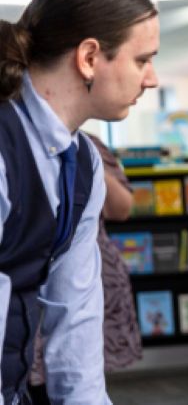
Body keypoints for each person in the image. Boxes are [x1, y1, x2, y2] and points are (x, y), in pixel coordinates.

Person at [0, 0, 158, 403]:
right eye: (142, 59)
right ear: (89, 57)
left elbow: (77, 314)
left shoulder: (84, 163)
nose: (152, 79)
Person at [28, 133, 143, 404]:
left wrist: (81, 160)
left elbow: (122, 209)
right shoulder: (20, 141)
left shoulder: (90, 146)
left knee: (80, 364)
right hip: (36, 277)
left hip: (87, 270)